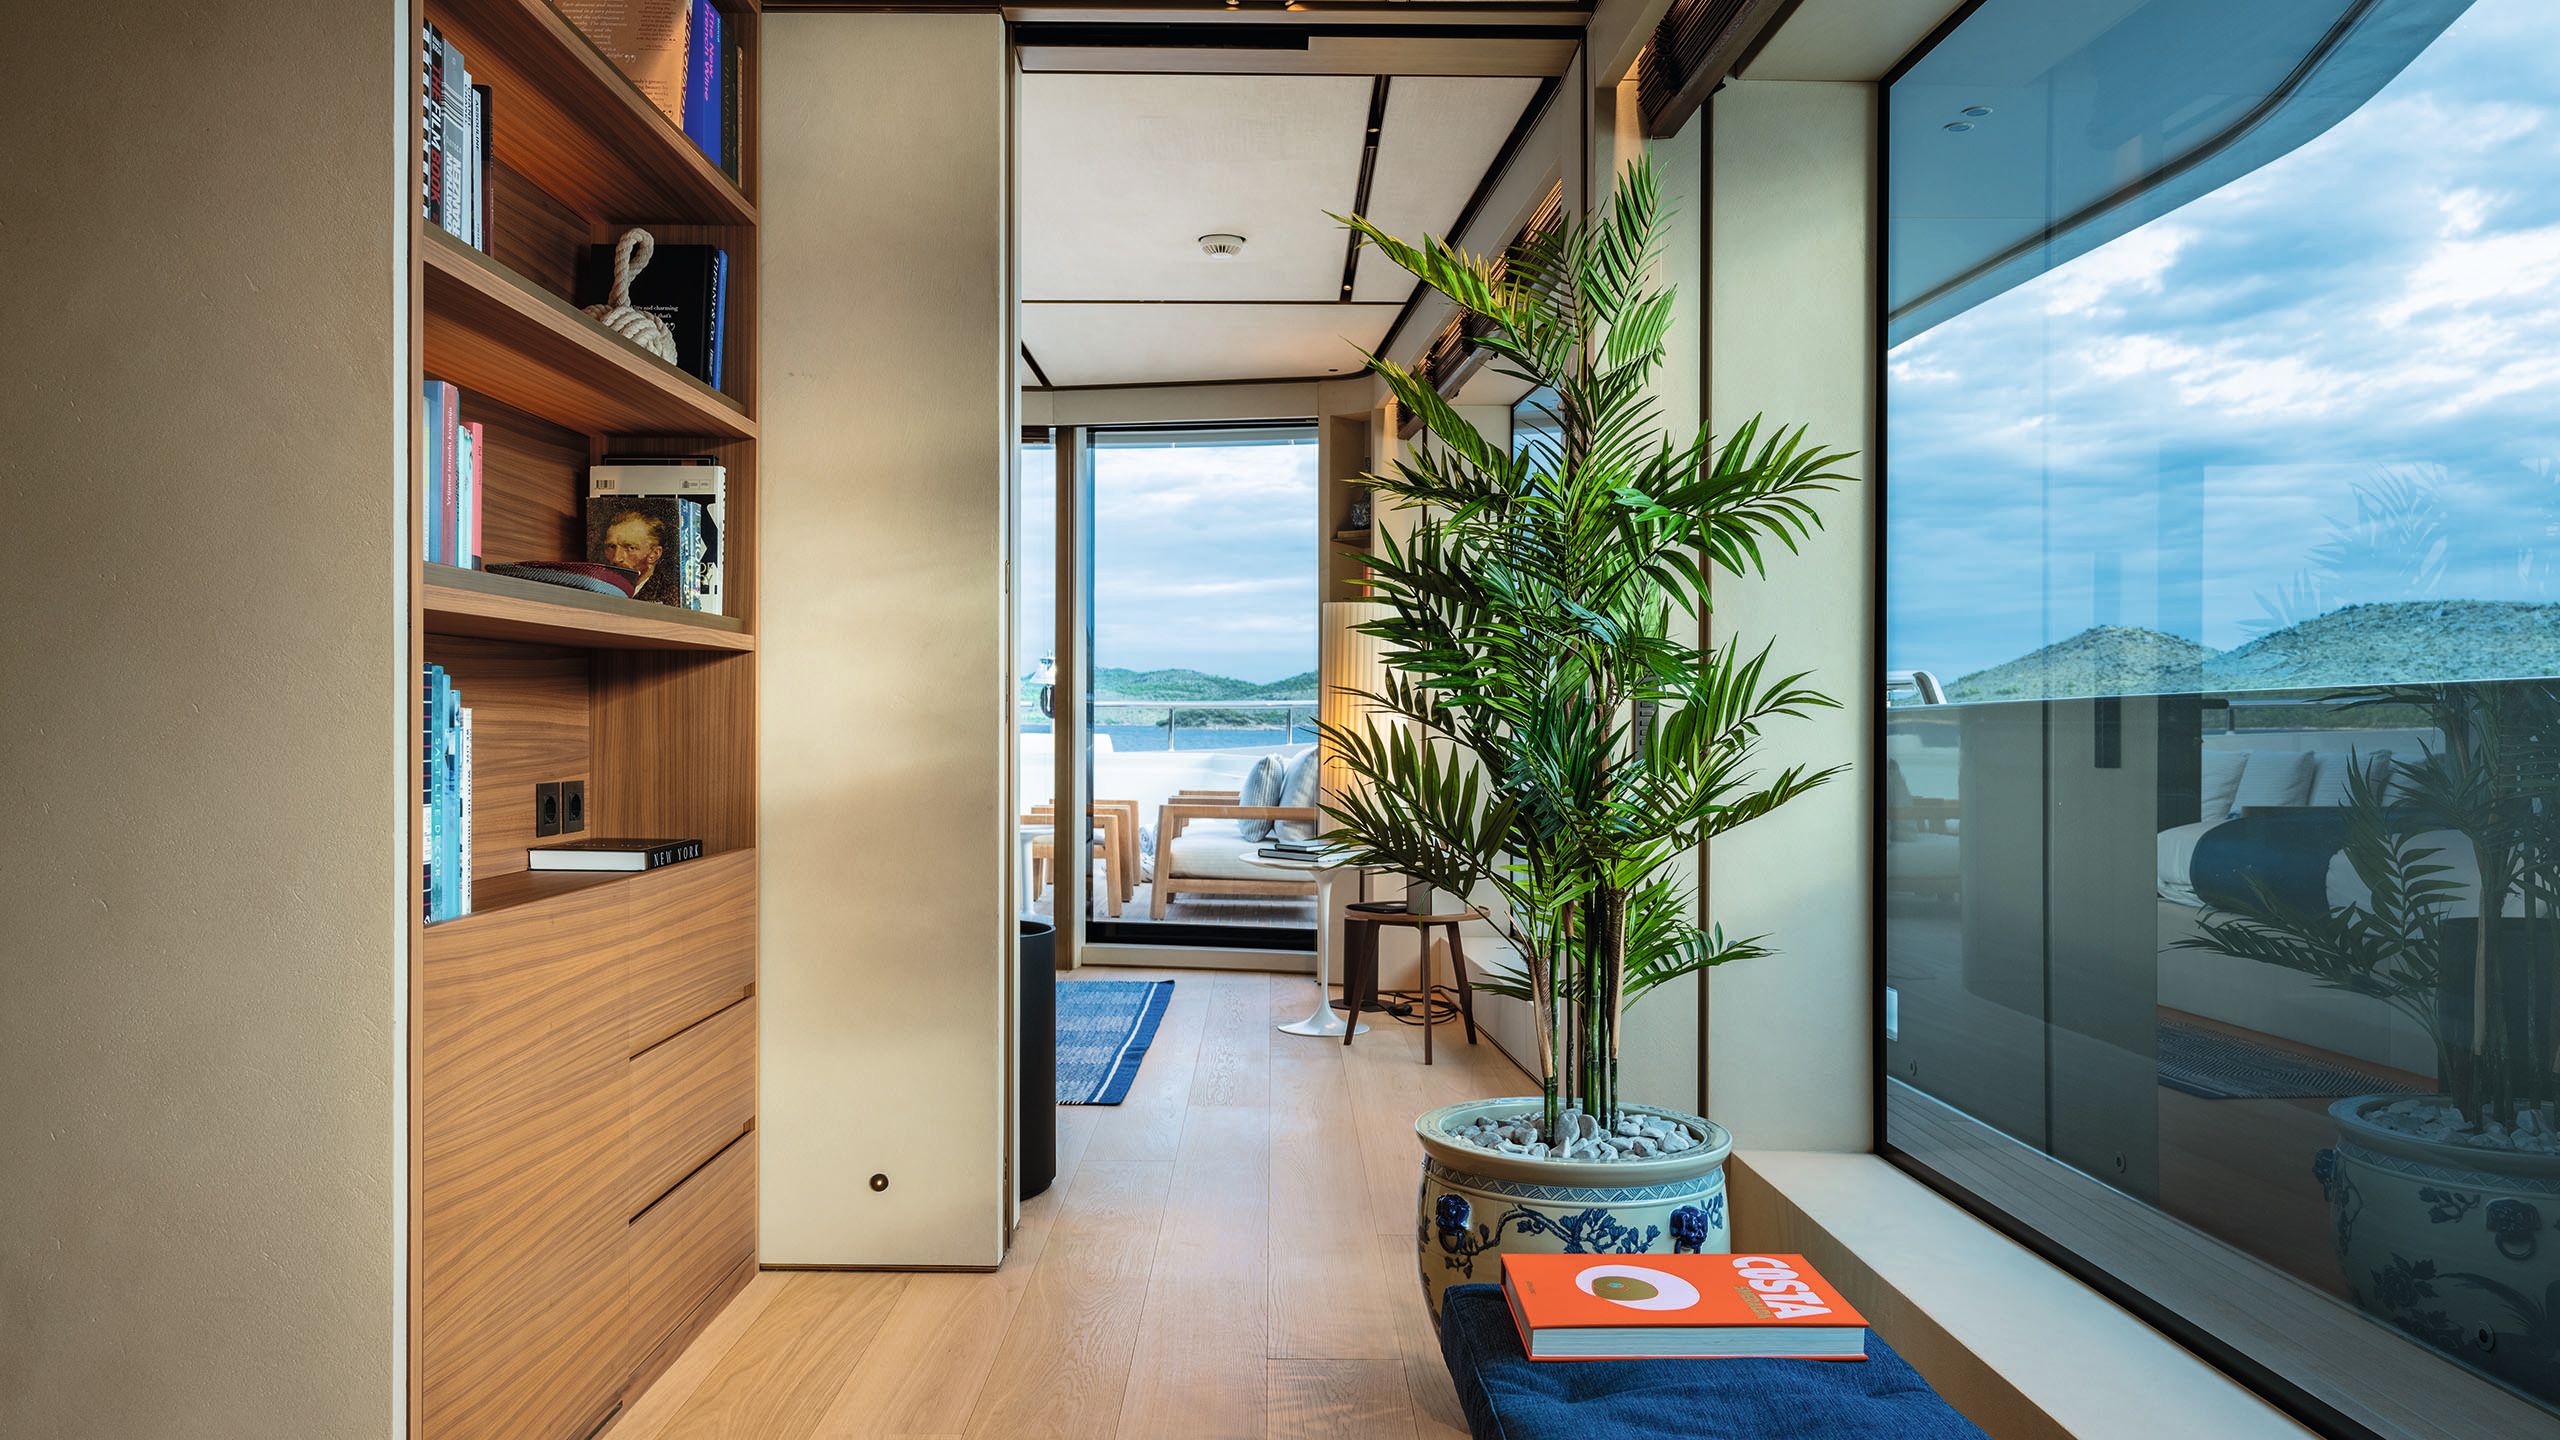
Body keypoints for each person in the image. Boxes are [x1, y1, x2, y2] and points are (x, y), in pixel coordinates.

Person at [598, 506, 672, 603]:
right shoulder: (601, 589)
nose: (616, 558)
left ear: (654, 554)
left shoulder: (667, 595)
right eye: (611, 546)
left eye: (630, 548)